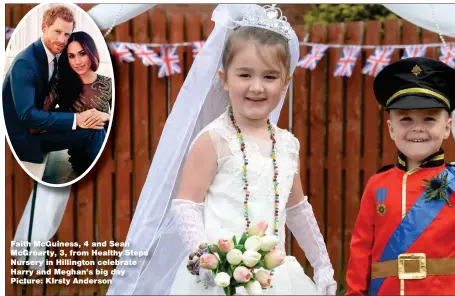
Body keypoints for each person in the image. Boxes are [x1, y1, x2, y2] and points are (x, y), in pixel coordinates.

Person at [106, 4, 336, 295]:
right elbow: (186, 204)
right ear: (224, 78)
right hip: (220, 278)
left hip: (276, 279)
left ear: (285, 83)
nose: (256, 87)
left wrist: (322, 264)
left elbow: (297, 208)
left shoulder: (287, 144)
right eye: (244, 75)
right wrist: (207, 257)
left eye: (269, 77)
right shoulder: (213, 139)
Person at [345, 57, 455, 295]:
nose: (417, 128)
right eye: (406, 119)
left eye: (429, 119)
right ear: (391, 129)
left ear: (447, 127)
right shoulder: (377, 184)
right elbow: (361, 248)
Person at [2, 5, 106, 167]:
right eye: (57, 32)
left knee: (93, 121)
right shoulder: (25, 63)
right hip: (24, 137)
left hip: (40, 123)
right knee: (94, 129)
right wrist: (76, 119)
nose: (62, 40)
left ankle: (86, 165)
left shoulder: (53, 56)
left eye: (67, 34)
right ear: (44, 27)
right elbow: (27, 115)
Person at [57, 31, 112, 175]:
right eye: (71, 56)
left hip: (110, 146)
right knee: (94, 128)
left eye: (82, 54)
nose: (78, 62)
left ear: (91, 52)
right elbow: (41, 118)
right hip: (81, 155)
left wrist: (105, 116)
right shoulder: (61, 86)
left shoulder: (108, 84)